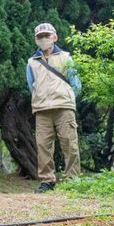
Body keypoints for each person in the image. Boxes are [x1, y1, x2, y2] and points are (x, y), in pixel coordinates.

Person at [26, 23, 82, 194]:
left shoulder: (66, 57)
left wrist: (68, 97)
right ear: (36, 40)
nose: (43, 39)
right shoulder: (32, 62)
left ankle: (73, 180)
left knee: (69, 144)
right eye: (40, 36)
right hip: (42, 109)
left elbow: (76, 84)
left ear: (55, 37)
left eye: (47, 36)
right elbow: (31, 85)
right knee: (43, 146)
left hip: (64, 107)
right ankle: (47, 181)